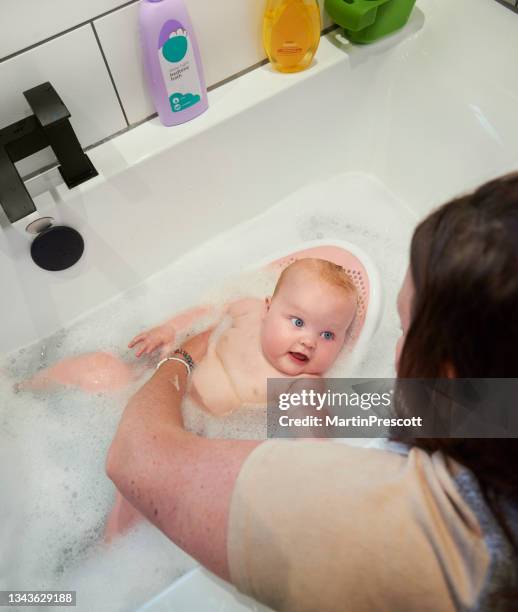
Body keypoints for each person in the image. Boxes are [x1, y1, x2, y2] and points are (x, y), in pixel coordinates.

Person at [107, 173, 518, 611]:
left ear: (452, 374)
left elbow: (133, 457)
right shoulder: (496, 406)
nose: (398, 356)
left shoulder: (407, 535)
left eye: (406, 329)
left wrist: (182, 359)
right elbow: (382, 406)